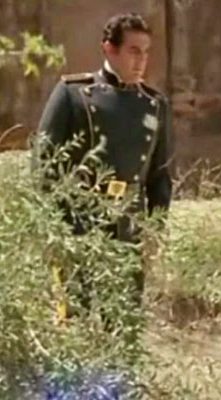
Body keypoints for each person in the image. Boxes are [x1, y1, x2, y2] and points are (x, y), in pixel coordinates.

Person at [36, 12, 173, 319]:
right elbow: (44, 165)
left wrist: (155, 229)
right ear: (109, 49)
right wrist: (55, 228)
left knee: (124, 322)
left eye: (146, 52)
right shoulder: (73, 94)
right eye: (133, 51)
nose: (141, 61)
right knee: (77, 321)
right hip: (79, 226)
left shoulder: (154, 105)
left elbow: (160, 176)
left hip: (129, 229)